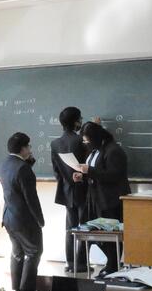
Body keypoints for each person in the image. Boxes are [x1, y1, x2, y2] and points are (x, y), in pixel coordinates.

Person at [79, 121, 130, 276]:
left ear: (95, 138)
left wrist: (90, 171)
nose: (86, 144)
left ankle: (113, 265)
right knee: (95, 232)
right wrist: (82, 175)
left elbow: (113, 175)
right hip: (95, 198)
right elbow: (94, 172)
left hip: (110, 200)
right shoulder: (96, 150)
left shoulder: (113, 151)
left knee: (110, 233)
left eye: (87, 140)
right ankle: (111, 263)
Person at [0, 132, 45, 291]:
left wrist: (28, 164)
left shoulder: (5, 163)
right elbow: (31, 198)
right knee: (34, 251)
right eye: (29, 146)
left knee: (17, 253)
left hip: (8, 217)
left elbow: (16, 182)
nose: (30, 149)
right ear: (23, 149)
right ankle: (27, 290)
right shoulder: (23, 168)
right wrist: (40, 219)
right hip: (24, 219)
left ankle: (17, 288)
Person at [50, 106, 88, 273]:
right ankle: (81, 263)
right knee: (84, 228)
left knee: (70, 228)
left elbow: (56, 171)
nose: (81, 122)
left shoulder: (55, 143)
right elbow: (89, 164)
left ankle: (70, 262)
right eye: (80, 119)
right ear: (76, 122)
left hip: (66, 190)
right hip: (83, 189)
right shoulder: (81, 141)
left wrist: (66, 182)